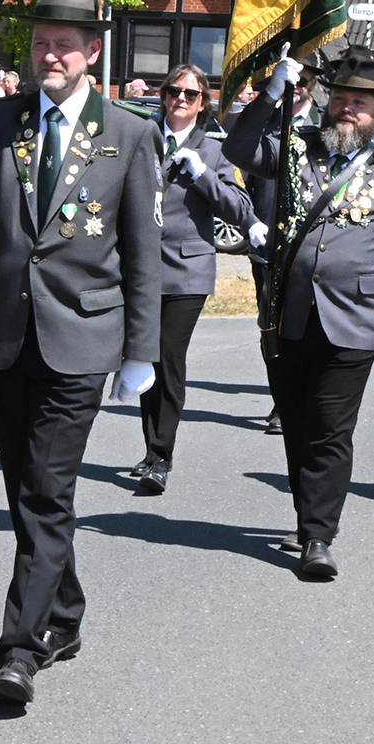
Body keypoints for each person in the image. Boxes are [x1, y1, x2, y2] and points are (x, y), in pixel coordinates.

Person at [0, 0, 162, 704]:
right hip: (5, 335)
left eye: (65, 45)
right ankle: (65, 610)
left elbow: (143, 253)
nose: (50, 55)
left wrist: (142, 349)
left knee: (46, 491)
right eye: (41, 42)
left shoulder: (128, 134)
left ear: (92, 52)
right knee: (27, 489)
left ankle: (19, 649)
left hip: (82, 336)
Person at [224, 46, 374, 580]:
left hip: (353, 319)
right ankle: (309, 516)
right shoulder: (295, 148)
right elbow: (237, 146)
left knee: (330, 429)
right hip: (289, 313)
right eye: (342, 99)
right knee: (297, 425)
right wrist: (270, 93)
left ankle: (318, 536)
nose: (348, 109)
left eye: (360, 103)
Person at [133, 64, 253, 495]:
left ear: (203, 104)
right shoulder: (142, 138)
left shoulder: (215, 151)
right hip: (142, 267)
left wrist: (203, 174)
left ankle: (160, 455)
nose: (180, 100)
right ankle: (151, 448)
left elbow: (239, 208)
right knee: (144, 355)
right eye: (173, 91)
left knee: (168, 355)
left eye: (191, 94)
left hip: (187, 269)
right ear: (163, 95)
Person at [231, 60, 319, 437]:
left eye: (305, 79)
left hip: (313, 250)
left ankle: (310, 397)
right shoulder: (263, 123)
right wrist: (251, 221)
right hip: (269, 248)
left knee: (311, 328)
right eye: (292, 79)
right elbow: (241, 177)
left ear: (314, 84)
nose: (297, 85)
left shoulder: (326, 129)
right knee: (272, 328)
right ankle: (282, 400)